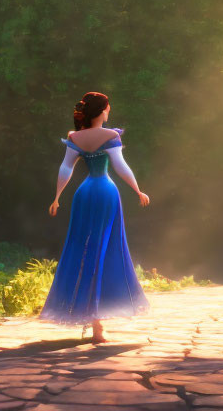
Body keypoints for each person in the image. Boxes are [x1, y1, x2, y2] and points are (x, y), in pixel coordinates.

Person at [39, 91, 151, 343]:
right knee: (105, 249)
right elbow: (121, 166)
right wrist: (137, 189)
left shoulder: (75, 137)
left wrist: (58, 196)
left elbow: (66, 167)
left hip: (84, 194)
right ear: (102, 111)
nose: (109, 111)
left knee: (83, 249)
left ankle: (92, 318)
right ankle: (97, 322)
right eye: (108, 108)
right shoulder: (110, 136)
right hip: (105, 192)